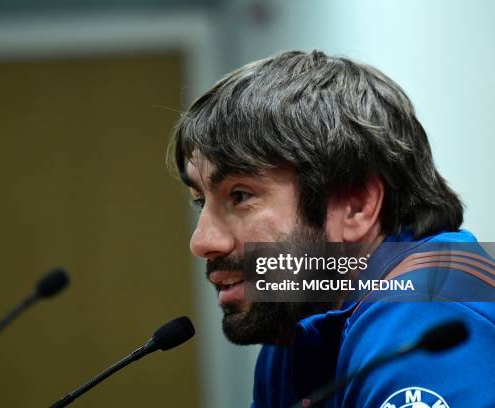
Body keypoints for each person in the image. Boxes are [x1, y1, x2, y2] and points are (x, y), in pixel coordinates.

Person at [167, 50, 494, 407]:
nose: (201, 242)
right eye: (201, 202)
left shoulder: (428, 320)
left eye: (241, 195)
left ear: (356, 207)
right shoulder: (299, 327)